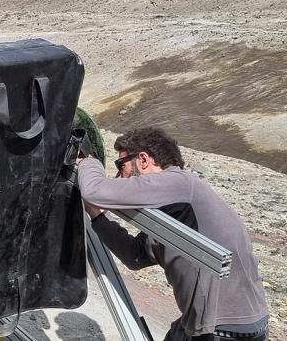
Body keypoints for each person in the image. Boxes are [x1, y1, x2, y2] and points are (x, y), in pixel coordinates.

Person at [78, 127, 269, 341]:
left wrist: (87, 159)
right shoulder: (174, 209)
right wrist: (97, 216)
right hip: (226, 323)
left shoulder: (179, 182)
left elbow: (94, 190)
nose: (119, 176)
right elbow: (135, 255)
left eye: (121, 165)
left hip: (223, 330)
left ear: (143, 160)